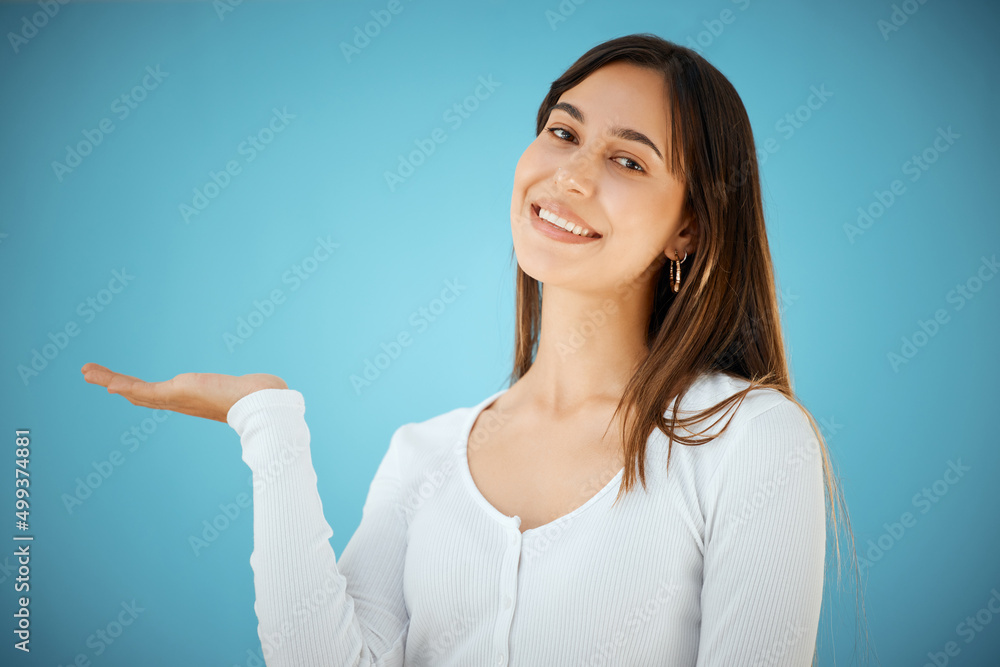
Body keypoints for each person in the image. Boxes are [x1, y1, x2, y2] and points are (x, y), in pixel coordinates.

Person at [82, 33, 862, 667]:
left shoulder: (748, 440)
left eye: (628, 160)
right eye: (563, 132)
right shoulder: (423, 455)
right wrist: (268, 421)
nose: (572, 174)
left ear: (688, 227)